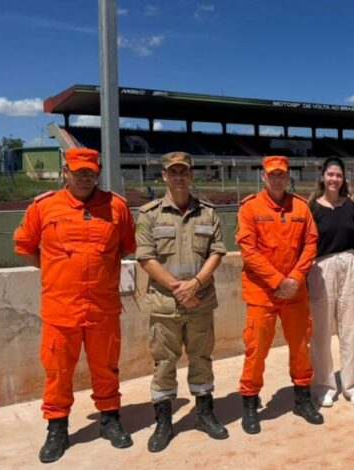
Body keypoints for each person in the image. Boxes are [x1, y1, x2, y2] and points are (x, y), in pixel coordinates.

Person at [13, 147, 136, 463]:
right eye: (78, 171)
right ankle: (57, 428)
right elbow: (25, 247)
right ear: (65, 172)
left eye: (90, 172)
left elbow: (124, 247)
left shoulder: (117, 207)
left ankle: (110, 419)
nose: (84, 177)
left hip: (103, 307)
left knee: (106, 367)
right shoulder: (43, 207)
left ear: (98, 173)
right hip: (60, 308)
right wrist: (56, 269)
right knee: (57, 371)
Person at [135, 152, 229, 452]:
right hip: (166, 304)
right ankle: (164, 421)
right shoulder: (149, 215)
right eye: (173, 172)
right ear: (164, 176)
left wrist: (195, 284)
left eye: (184, 171)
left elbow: (217, 252)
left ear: (191, 175)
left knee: (202, 358)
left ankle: (204, 414)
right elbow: (145, 257)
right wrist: (179, 289)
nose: (179, 177)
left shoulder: (208, 213)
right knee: (164, 362)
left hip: (200, 301)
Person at [236, 155, 323, 434]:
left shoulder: (301, 207)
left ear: (287, 177)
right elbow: (249, 251)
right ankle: (250, 402)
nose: (277, 179)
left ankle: (302, 399)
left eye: (281, 174)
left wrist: (294, 278)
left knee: (300, 347)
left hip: (294, 292)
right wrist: (277, 281)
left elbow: (311, 244)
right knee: (256, 349)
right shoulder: (250, 208)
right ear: (263, 176)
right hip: (262, 293)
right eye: (272, 174)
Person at [307, 157, 354, 408]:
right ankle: (324, 385)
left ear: (344, 179)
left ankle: (352, 385)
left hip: (350, 264)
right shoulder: (312, 207)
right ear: (322, 177)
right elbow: (307, 244)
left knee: (350, 329)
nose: (334, 179)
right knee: (321, 331)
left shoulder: (351, 205)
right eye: (330, 174)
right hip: (322, 267)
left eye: (339, 175)